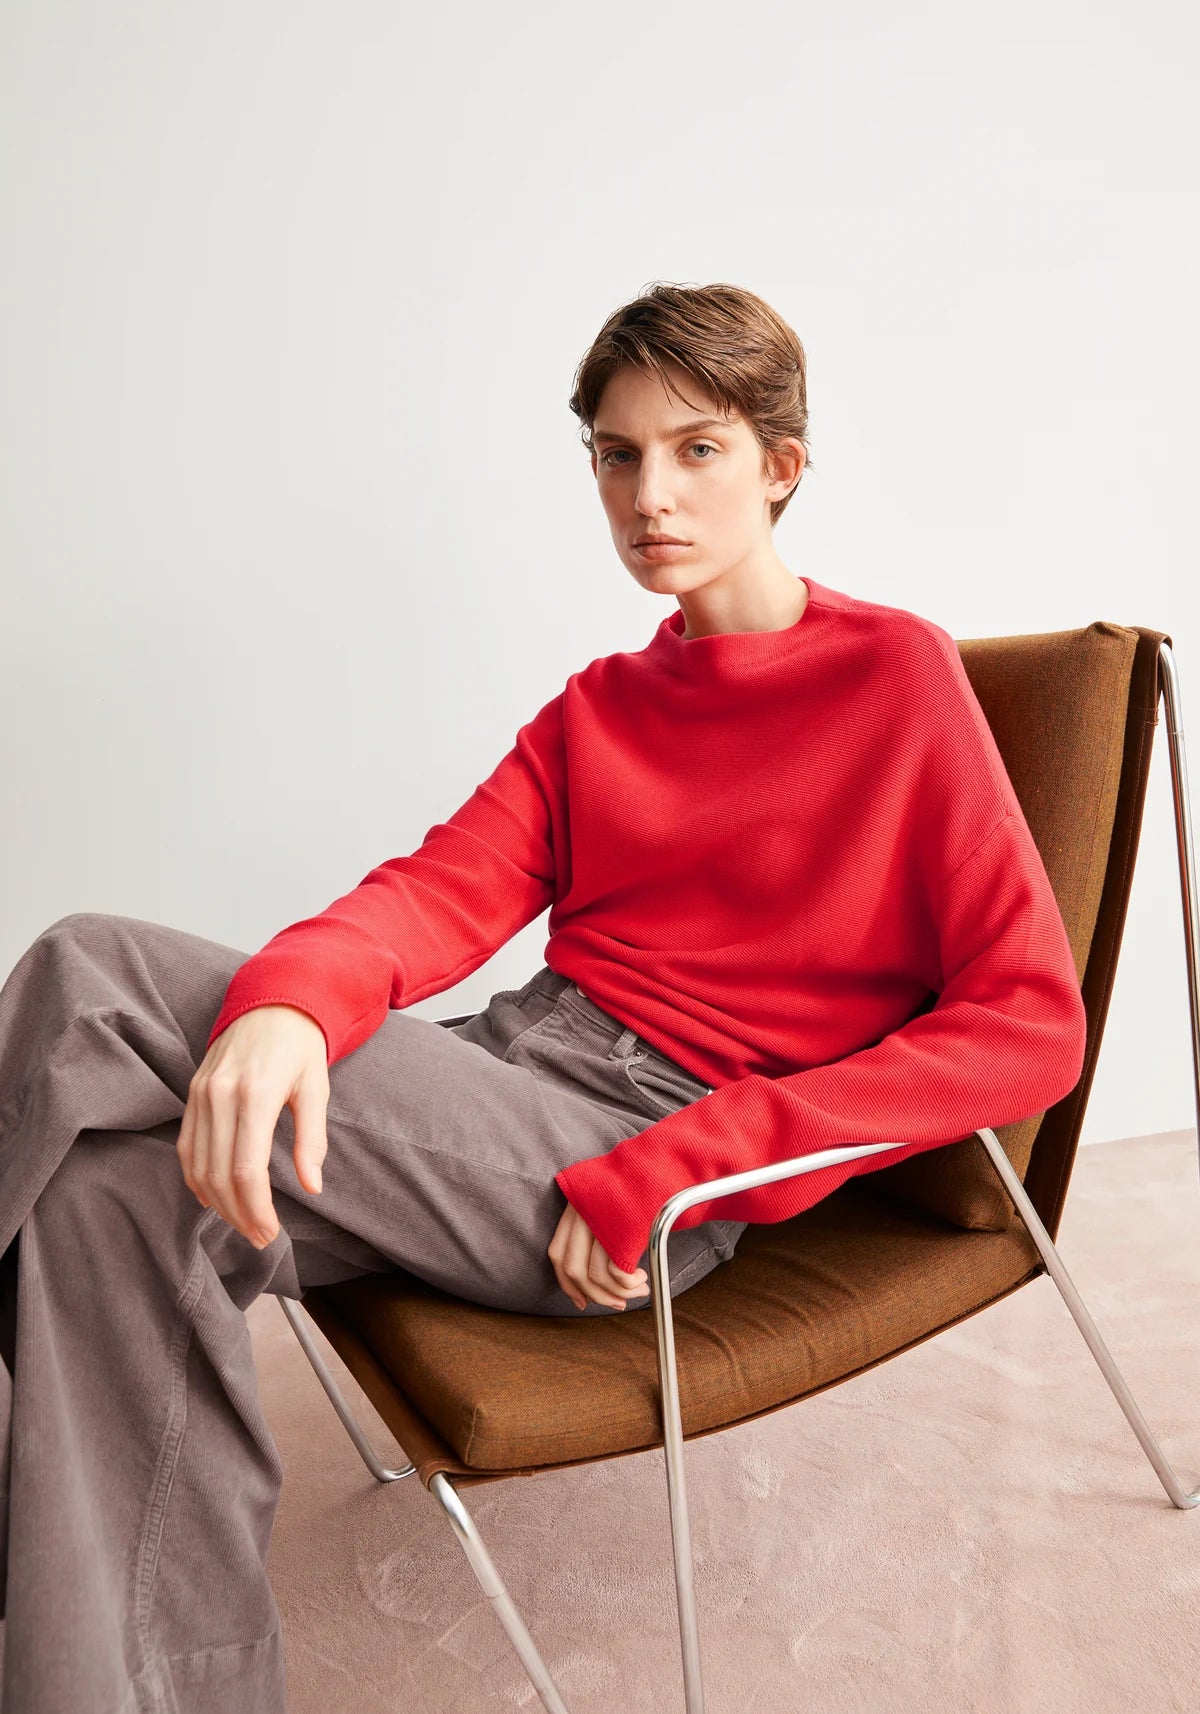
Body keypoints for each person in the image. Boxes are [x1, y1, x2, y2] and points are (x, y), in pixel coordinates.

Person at [0, 281, 1087, 1713]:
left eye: (696, 449)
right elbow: (433, 895)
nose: (651, 494)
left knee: (91, 964)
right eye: (617, 456)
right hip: (501, 1080)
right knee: (106, 1201)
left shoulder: (896, 677)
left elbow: (1028, 1024)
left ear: (781, 466)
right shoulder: (599, 709)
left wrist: (688, 1161)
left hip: (632, 1168)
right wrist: (296, 1000)